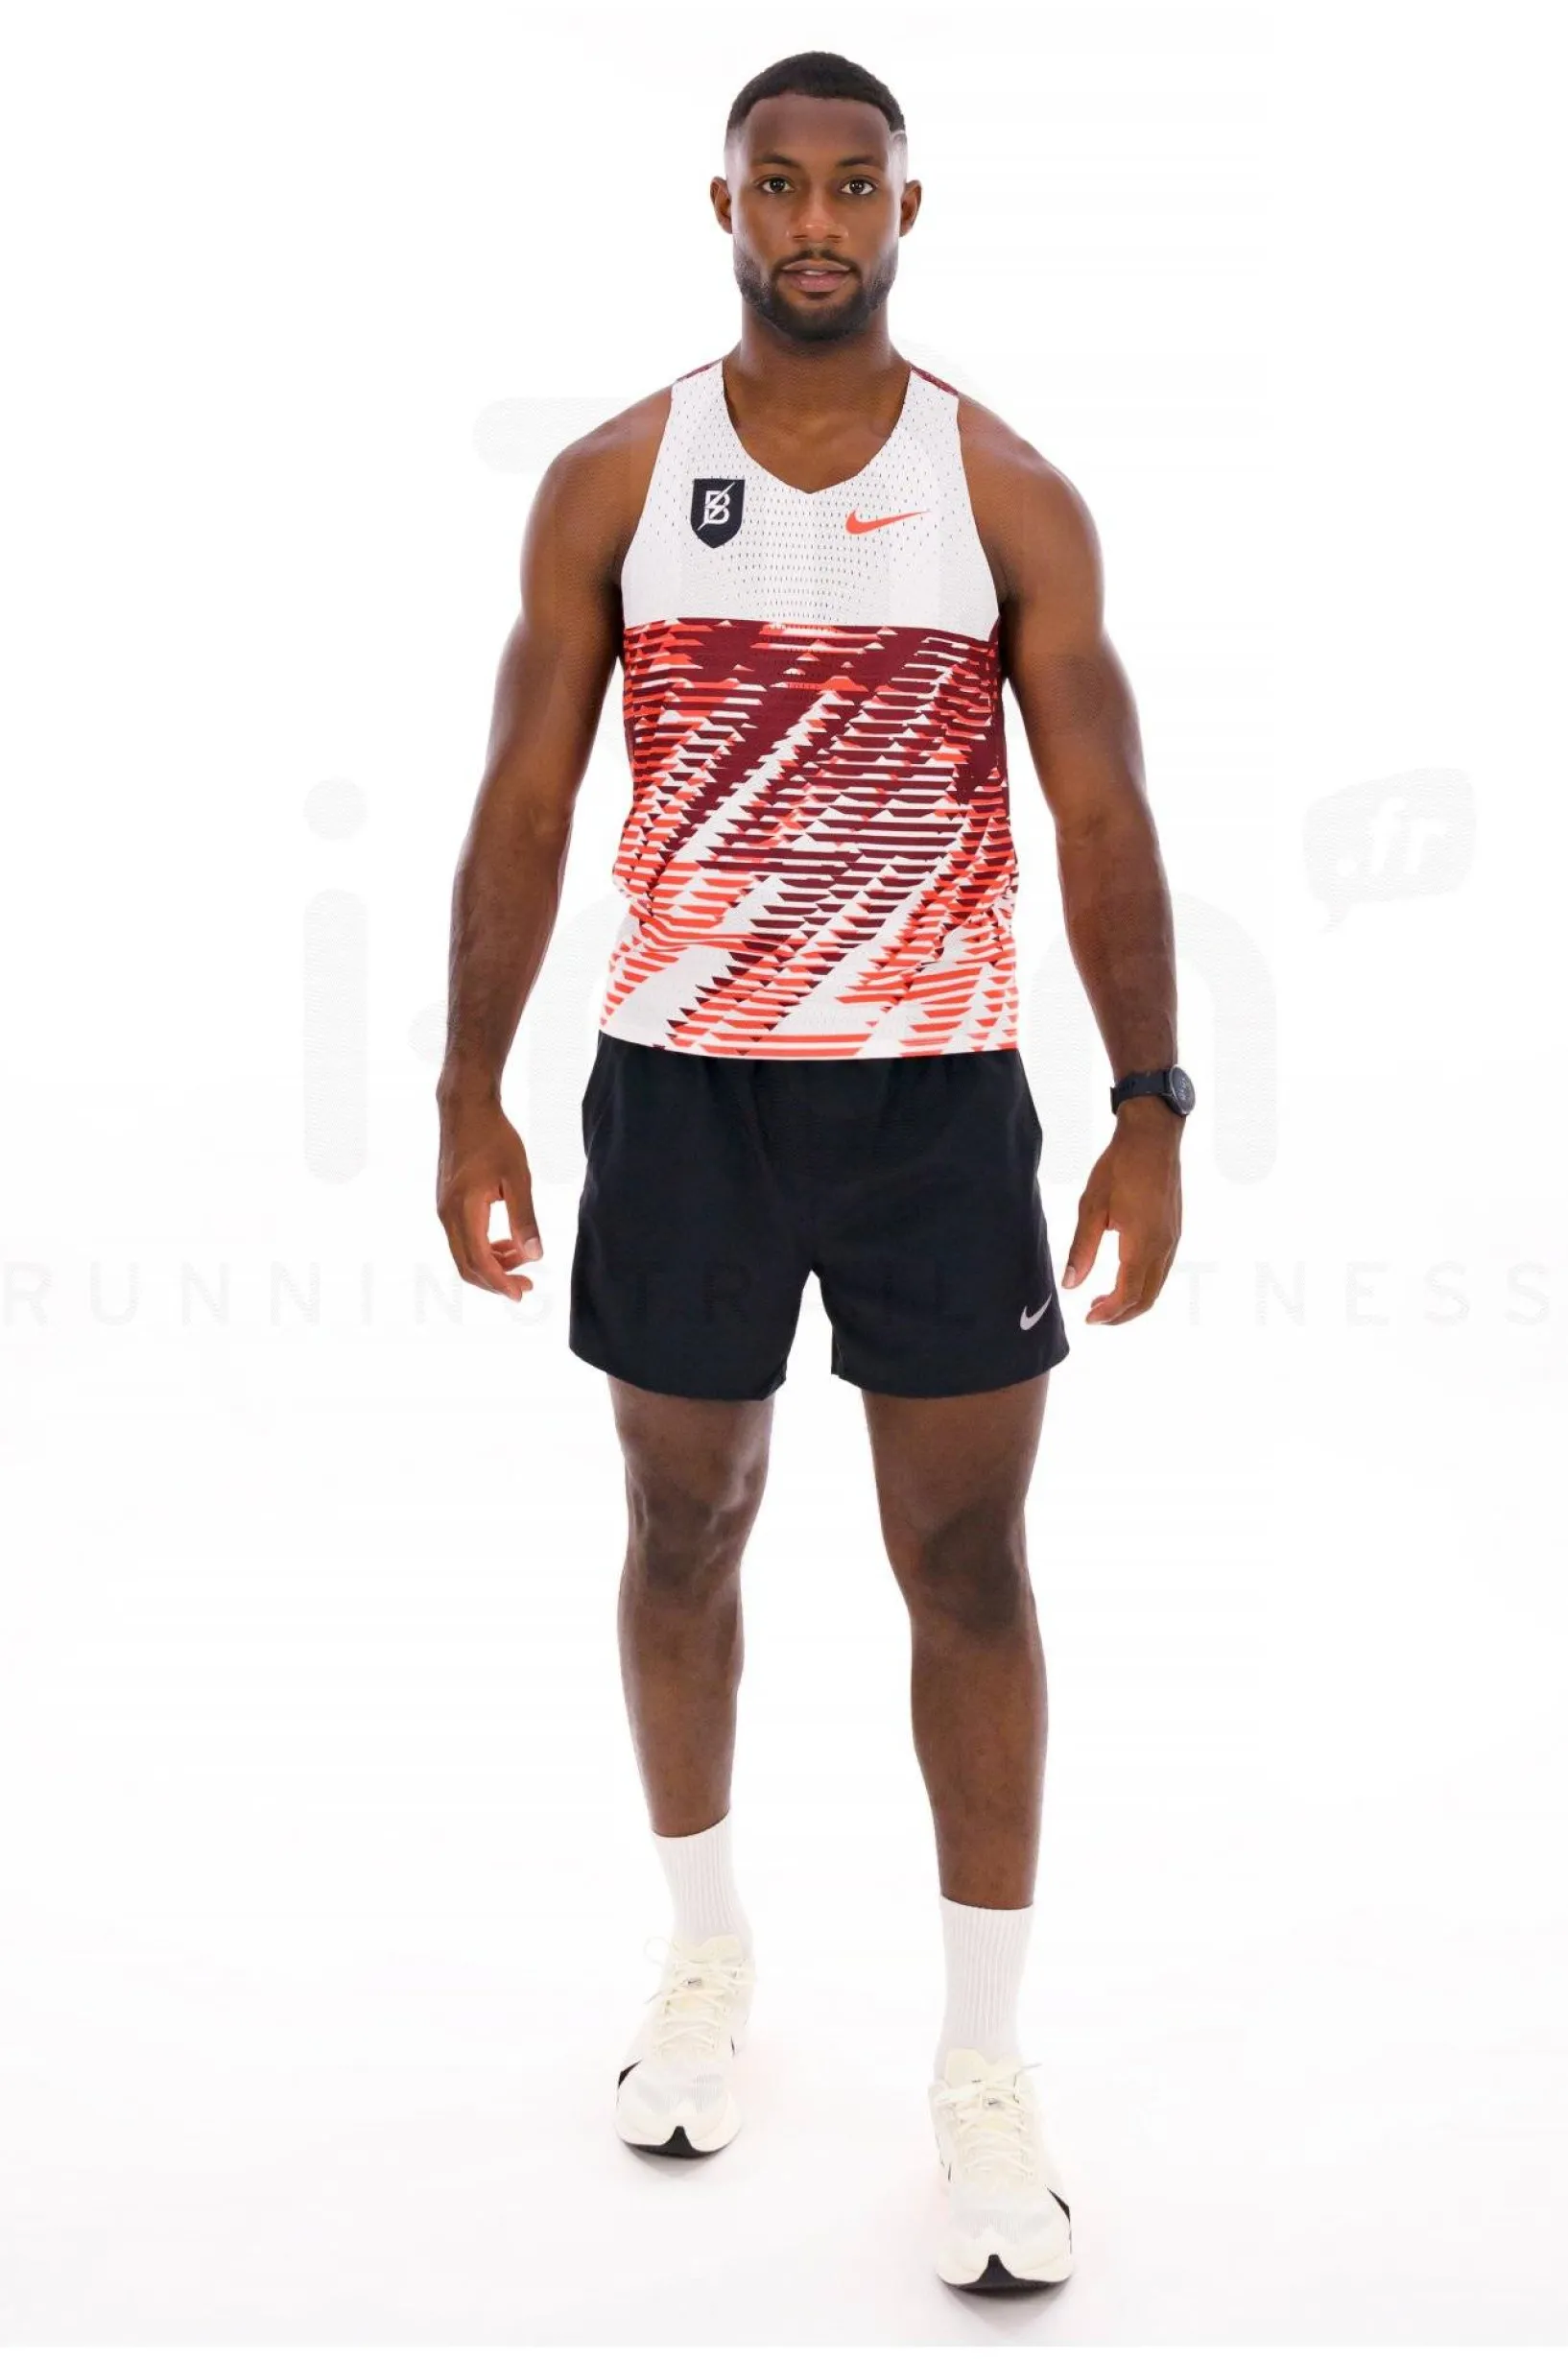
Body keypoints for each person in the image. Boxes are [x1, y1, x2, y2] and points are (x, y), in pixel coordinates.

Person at [436, 48, 1192, 2294]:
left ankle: (982, 2066)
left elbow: (1103, 813)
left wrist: (1149, 1106)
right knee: (682, 1523)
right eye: (779, 184)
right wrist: (468, 1086)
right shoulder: (616, 476)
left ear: (905, 209)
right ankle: (704, 1956)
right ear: (725, 207)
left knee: (968, 1562)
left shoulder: (1003, 491)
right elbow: (522, 798)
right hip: (681, 1094)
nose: (816, 221)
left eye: (853, 184)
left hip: (934, 1102)